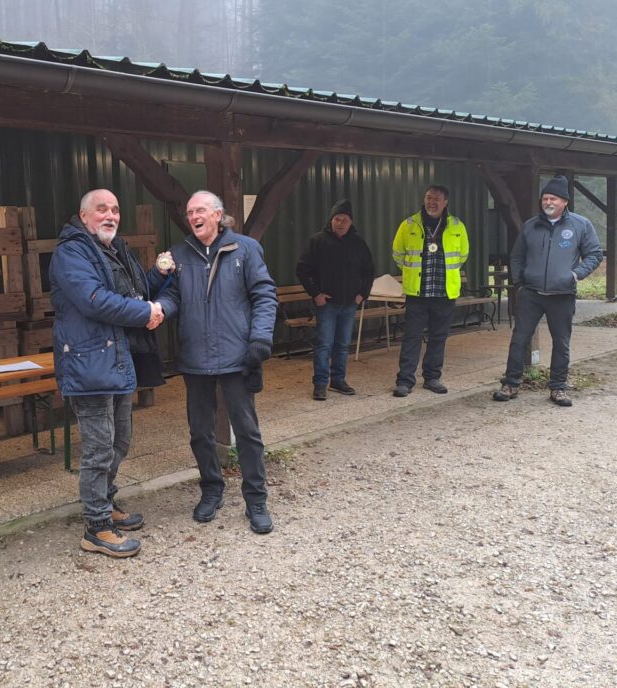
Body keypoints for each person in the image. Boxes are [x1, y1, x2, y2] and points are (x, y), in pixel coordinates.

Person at [49, 188, 165, 558]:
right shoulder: (71, 253)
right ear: (84, 216)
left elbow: (134, 292)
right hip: (88, 363)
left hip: (115, 360)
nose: (110, 215)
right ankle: (96, 527)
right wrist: (145, 313)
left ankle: (106, 502)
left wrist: (158, 274)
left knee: (120, 441)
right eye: (102, 209)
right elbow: (95, 300)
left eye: (115, 209)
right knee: (99, 449)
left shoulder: (114, 249)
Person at [154, 190, 279, 534]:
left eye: (200, 210)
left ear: (218, 215)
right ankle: (211, 490)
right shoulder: (179, 255)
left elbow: (264, 295)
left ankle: (256, 499)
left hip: (237, 356)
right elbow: (173, 296)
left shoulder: (245, 249)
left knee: (247, 432)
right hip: (195, 358)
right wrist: (160, 308)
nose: (193, 216)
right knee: (200, 432)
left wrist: (260, 339)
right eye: (190, 212)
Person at [493, 175, 603, 407]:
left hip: (562, 295)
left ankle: (558, 387)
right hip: (531, 294)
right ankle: (511, 383)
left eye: (553, 198)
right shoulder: (530, 226)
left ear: (565, 201)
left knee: (561, 342)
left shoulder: (580, 225)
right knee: (519, 339)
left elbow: (594, 255)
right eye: (545, 198)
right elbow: (517, 256)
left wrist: (575, 275)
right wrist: (519, 283)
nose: (548, 202)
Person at [391, 185, 469, 397]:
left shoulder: (456, 225)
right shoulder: (409, 224)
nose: (432, 202)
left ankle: (432, 377)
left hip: (444, 293)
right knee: (411, 337)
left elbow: (463, 255)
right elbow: (398, 253)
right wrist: (412, 272)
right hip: (418, 293)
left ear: (446, 202)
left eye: (437, 199)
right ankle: (405, 381)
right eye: (428, 198)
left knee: (438, 337)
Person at [295, 199, 375, 401]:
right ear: (331, 220)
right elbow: (302, 270)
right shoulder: (317, 241)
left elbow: (369, 270)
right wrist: (316, 294)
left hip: (350, 304)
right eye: (337, 219)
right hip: (327, 305)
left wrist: (362, 294)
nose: (341, 223)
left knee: (343, 344)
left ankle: (338, 380)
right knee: (324, 345)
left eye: (345, 220)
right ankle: (320, 383)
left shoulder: (358, 243)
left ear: (351, 222)